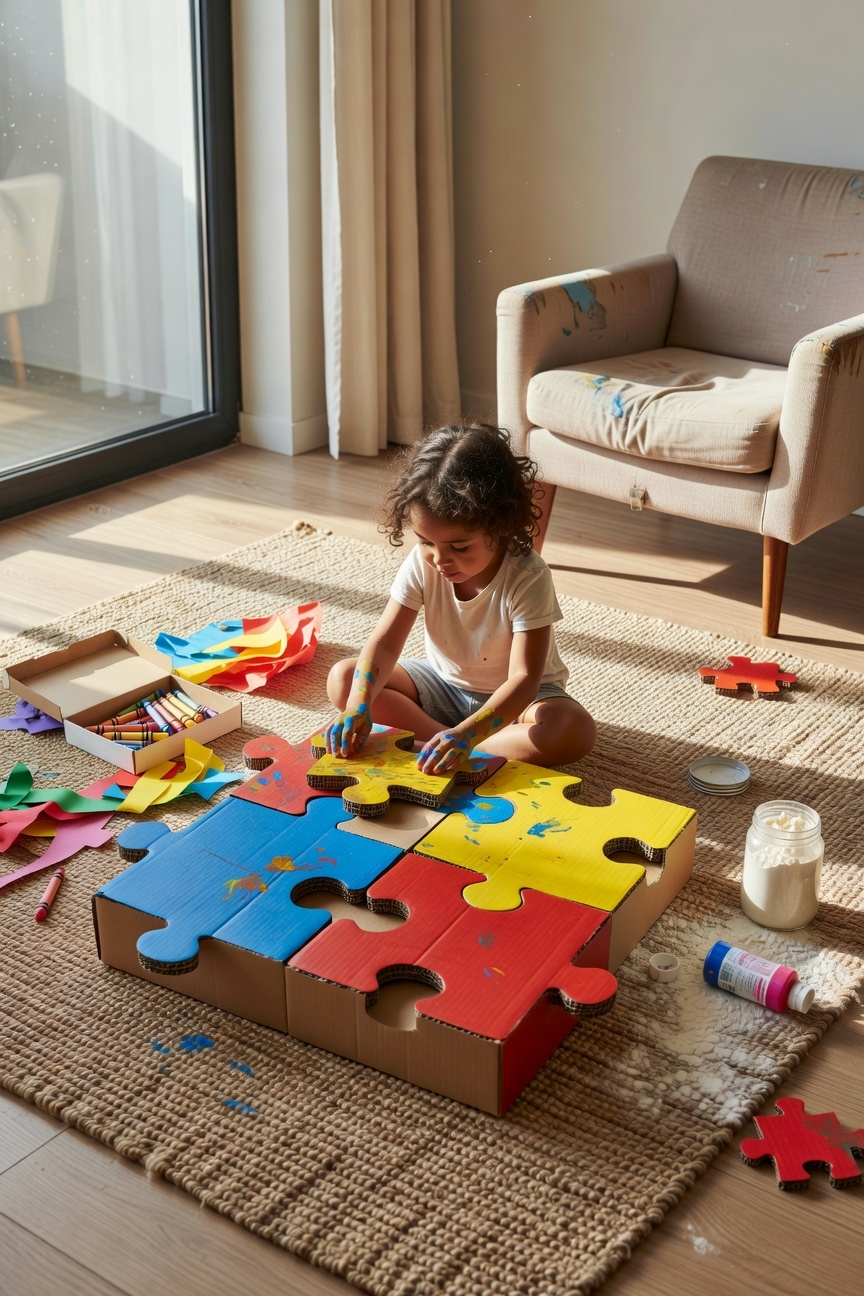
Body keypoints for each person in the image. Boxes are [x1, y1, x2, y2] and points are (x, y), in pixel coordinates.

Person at [324, 423, 597, 773]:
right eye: (426, 542)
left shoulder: (528, 575)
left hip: (517, 704)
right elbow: (386, 644)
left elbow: (524, 680)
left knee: (572, 730)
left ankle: (441, 746)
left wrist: (468, 734)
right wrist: (358, 706)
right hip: (442, 686)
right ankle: (445, 744)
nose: (440, 559)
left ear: (500, 524)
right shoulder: (422, 564)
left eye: (460, 547)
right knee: (344, 680)